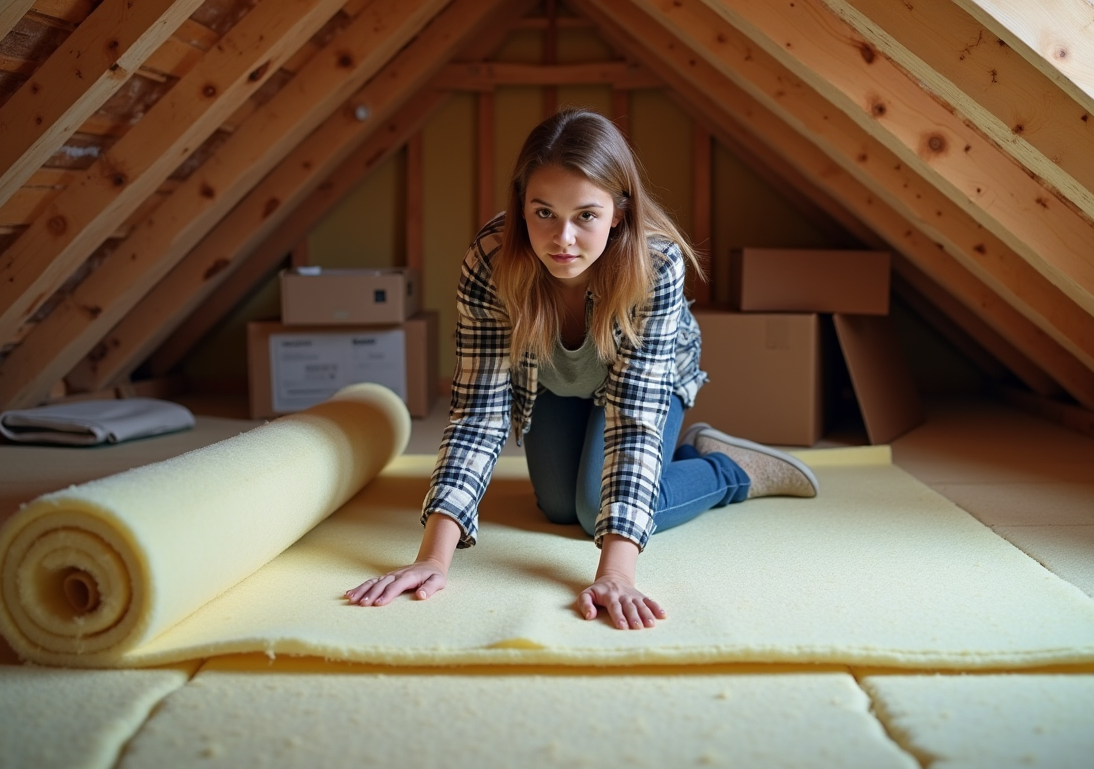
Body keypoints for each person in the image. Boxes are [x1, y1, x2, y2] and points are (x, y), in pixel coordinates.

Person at [345, 109, 818, 629]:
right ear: (521, 207)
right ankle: (678, 459)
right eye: (543, 212)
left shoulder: (656, 265)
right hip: (553, 383)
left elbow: (634, 419)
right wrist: (432, 559)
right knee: (556, 507)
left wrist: (616, 573)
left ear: (618, 212)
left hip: (640, 389)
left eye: (586, 215)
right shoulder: (490, 260)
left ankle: (729, 470)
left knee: (596, 508)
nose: (562, 238)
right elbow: (478, 412)